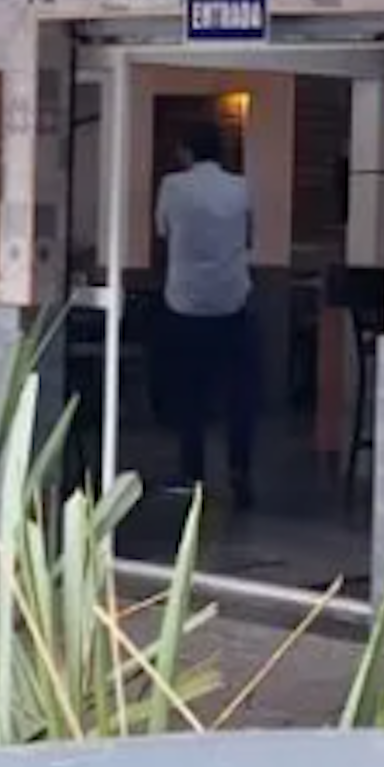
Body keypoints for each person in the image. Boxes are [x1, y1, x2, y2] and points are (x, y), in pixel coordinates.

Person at [155, 125, 260, 507]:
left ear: (186, 152)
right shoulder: (241, 187)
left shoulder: (173, 187)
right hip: (233, 300)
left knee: (190, 395)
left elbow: (163, 231)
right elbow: (250, 238)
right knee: (240, 396)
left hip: (186, 303)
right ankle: (240, 469)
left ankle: (192, 472)